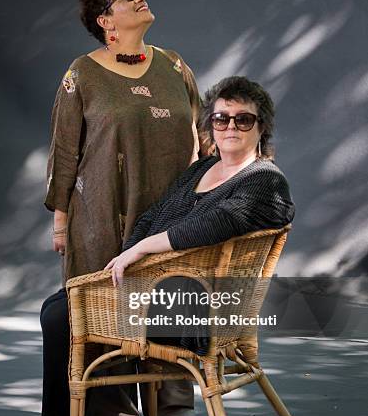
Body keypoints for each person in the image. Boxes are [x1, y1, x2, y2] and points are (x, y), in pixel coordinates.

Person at [7, 0, 206, 416]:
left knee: (170, 294)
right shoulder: (83, 73)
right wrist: (60, 220)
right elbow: (64, 151)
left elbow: (201, 135)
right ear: (104, 21)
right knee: (102, 310)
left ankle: (171, 400)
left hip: (168, 212)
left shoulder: (174, 65)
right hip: (100, 214)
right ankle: (115, 413)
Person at [105, 76, 295, 354]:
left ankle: (98, 398)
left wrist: (141, 249)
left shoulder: (265, 179)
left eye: (243, 119)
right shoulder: (201, 168)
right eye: (221, 119)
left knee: (62, 314)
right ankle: (109, 399)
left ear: (261, 127)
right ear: (212, 125)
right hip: (152, 291)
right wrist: (129, 264)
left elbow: (216, 223)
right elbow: (151, 216)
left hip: (198, 313)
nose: (231, 126)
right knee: (59, 307)